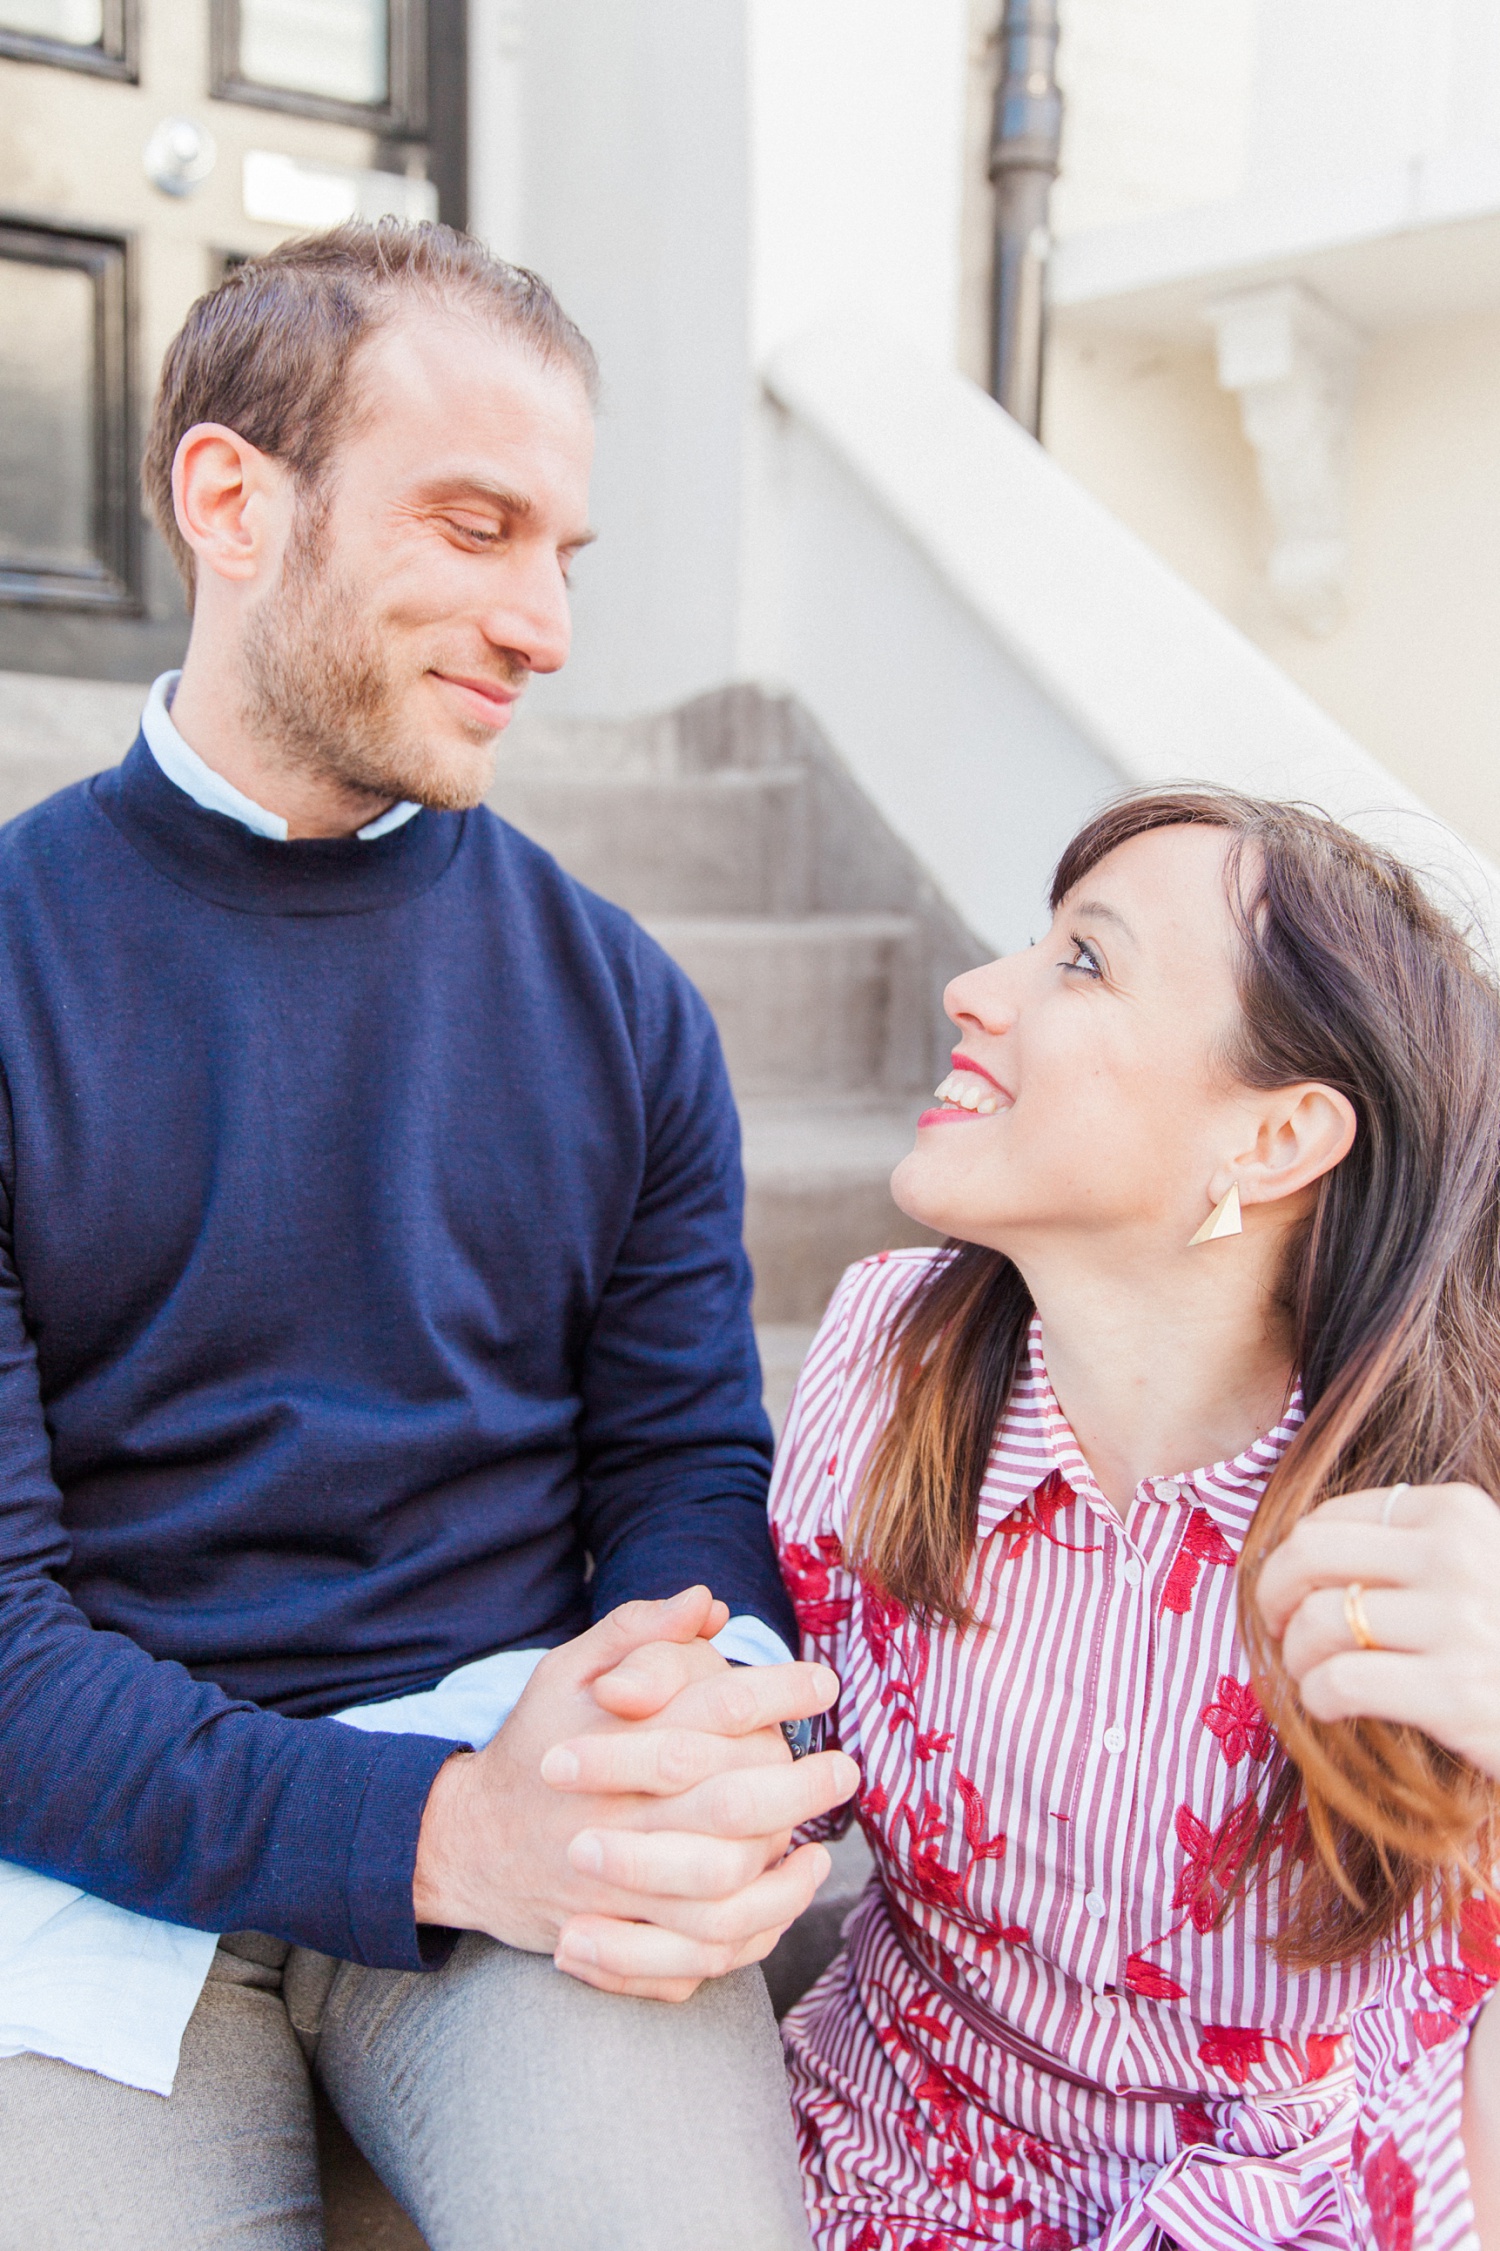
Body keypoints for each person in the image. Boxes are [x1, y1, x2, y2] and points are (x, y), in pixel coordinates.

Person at [0, 221, 858, 2250]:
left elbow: (685, 1466)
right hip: (85, 1861)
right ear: (234, 498)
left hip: (521, 1789)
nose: (542, 620)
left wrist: (686, 1720)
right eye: (478, 525)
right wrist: (437, 1838)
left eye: (566, 550)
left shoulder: (622, 1001)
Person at [767, 787, 1500, 2248]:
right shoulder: (877, 1356)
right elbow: (791, 1758)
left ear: (1278, 1135)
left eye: (1082, 961)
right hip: (881, 2181)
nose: (978, 993)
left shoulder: (1450, 1522)